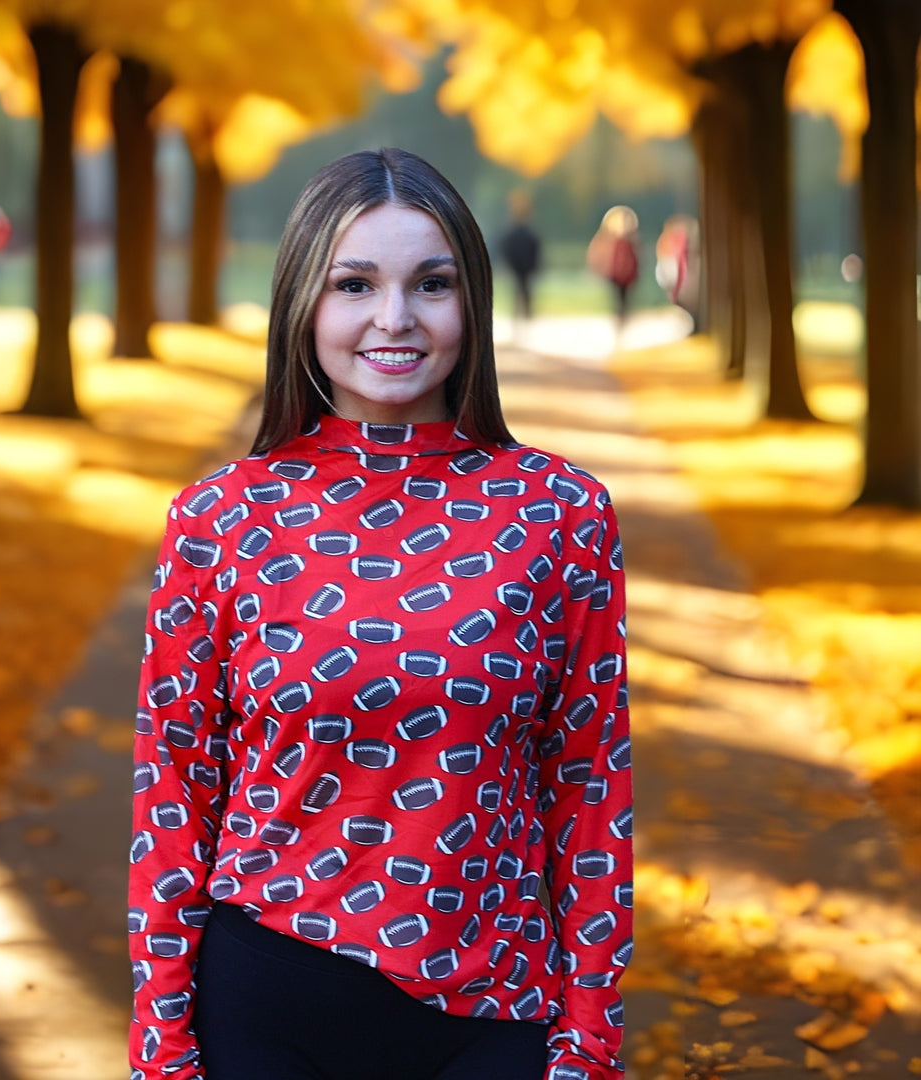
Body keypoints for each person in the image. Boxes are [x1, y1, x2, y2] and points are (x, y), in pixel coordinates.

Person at [129, 148, 632, 1080]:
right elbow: (174, 789)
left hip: (494, 1006)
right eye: (354, 284)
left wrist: (589, 1039)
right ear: (303, 303)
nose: (394, 318)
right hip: (266, 1003)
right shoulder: (219, 518)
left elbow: (590, 784)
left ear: (471, 300)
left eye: (431, 284)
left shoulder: (562, 513)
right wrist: (161, 1047)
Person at [586, 206, 640, 328]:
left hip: (626, 275)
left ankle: (622, 318)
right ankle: (620, 318)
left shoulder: (630, 241)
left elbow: (635, 258)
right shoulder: (610, 241)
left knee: (623, 298)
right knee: (618, 298)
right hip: (615, 274)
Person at [499, 189, 543, 324]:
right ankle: (525, 314)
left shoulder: (514, 234)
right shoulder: (526, 234)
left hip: (519, 265)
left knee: (520, 290)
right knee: (523, 290)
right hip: (522, 265)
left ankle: (523, 314)